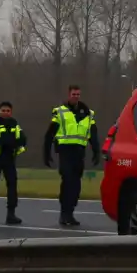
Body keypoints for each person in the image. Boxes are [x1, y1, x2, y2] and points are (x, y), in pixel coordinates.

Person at [43, 85, 100, 226]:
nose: (76, 96)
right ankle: (64, 213)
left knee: (76, 185)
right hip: (65, 151)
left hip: (79, 152)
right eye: (74, 94)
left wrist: (96, 151)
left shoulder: (87, 113)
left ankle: (71, 212)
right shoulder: (60, 112)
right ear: (69, 95)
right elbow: (49, 134)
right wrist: (46, 153)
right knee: (67, 181)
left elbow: (93, 134)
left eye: (78, 94)